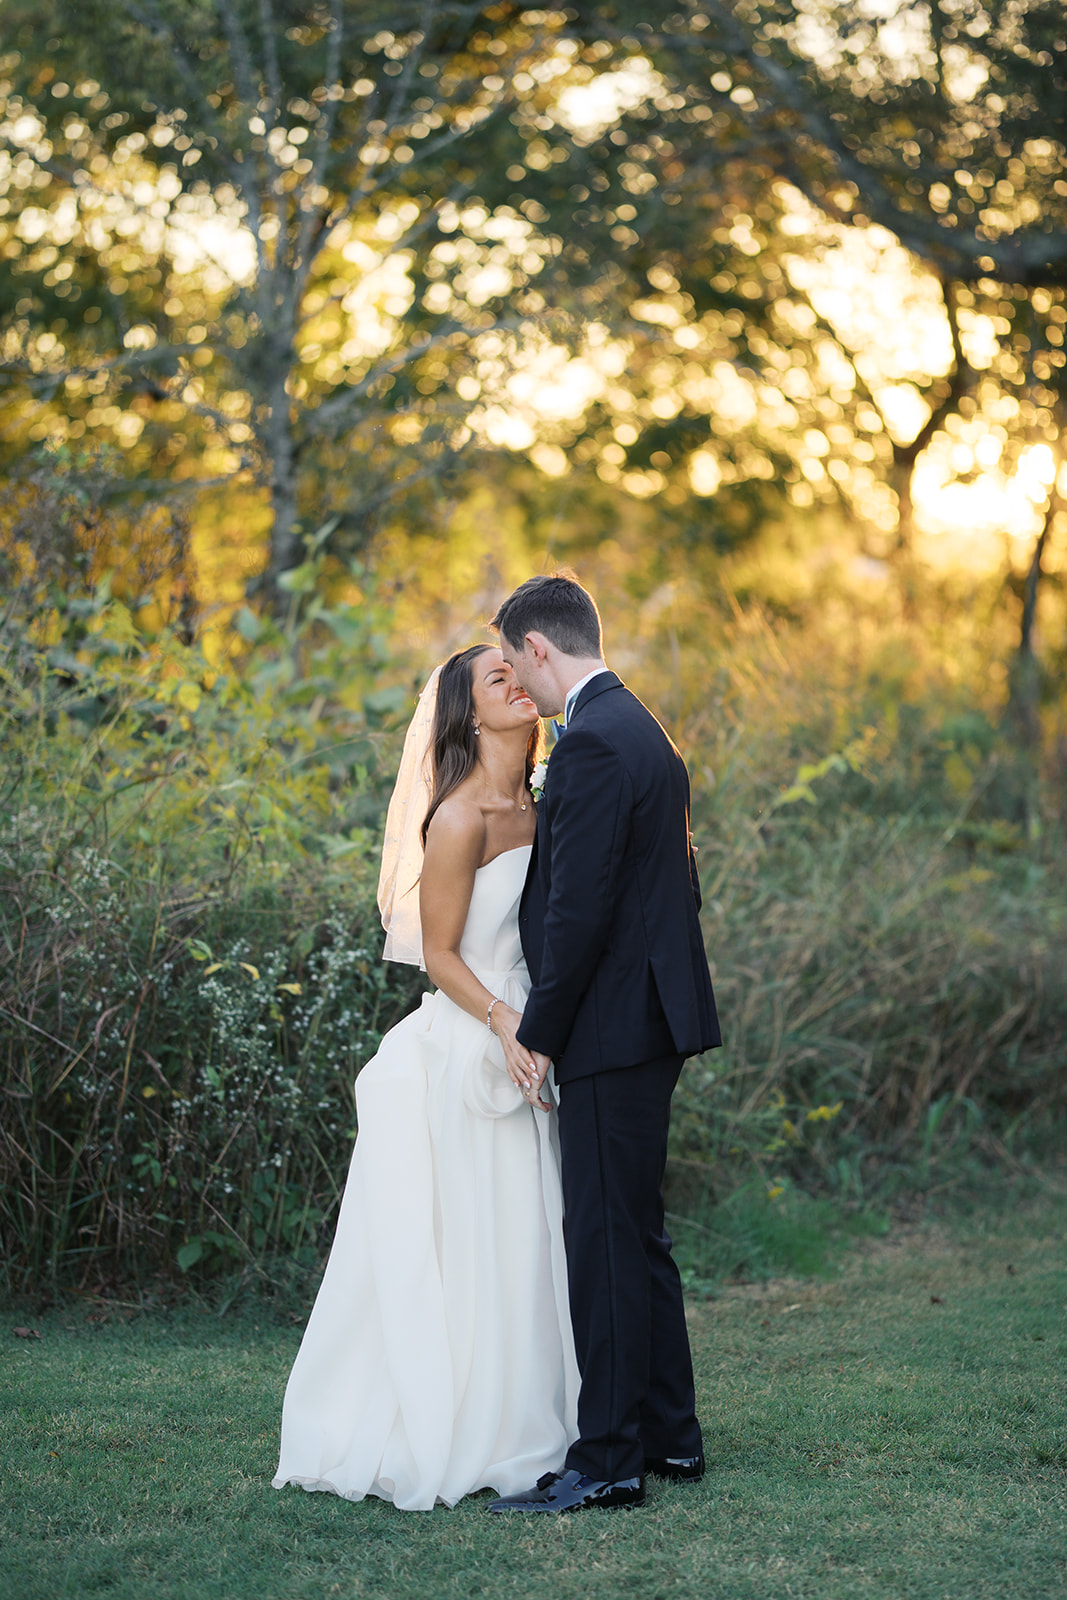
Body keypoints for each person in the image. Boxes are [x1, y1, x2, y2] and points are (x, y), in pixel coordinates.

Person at [272, 644, 578, 1513]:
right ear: (468, 714)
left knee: (527, 1235)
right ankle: (457, 1419)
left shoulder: (546, 801)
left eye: (521, 672)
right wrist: (509, 1024)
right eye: (496, 679)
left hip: (537, 1032)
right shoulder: (458, 819)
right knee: (465, 1240)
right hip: (473, 1036)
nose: (519, 684)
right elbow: (438, 955)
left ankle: (537, 1413)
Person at [486, 574, 721, 1515]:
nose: (518, 685)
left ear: (539, 649)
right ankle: (671, 1437)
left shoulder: (589, 743)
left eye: (513, 664)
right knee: (639, 1234)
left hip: (607, 1025)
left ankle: (609, 1459)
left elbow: (577, 910)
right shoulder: (644, 730)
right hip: (649, 1017)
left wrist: (538, 1032)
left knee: (606, 1241)